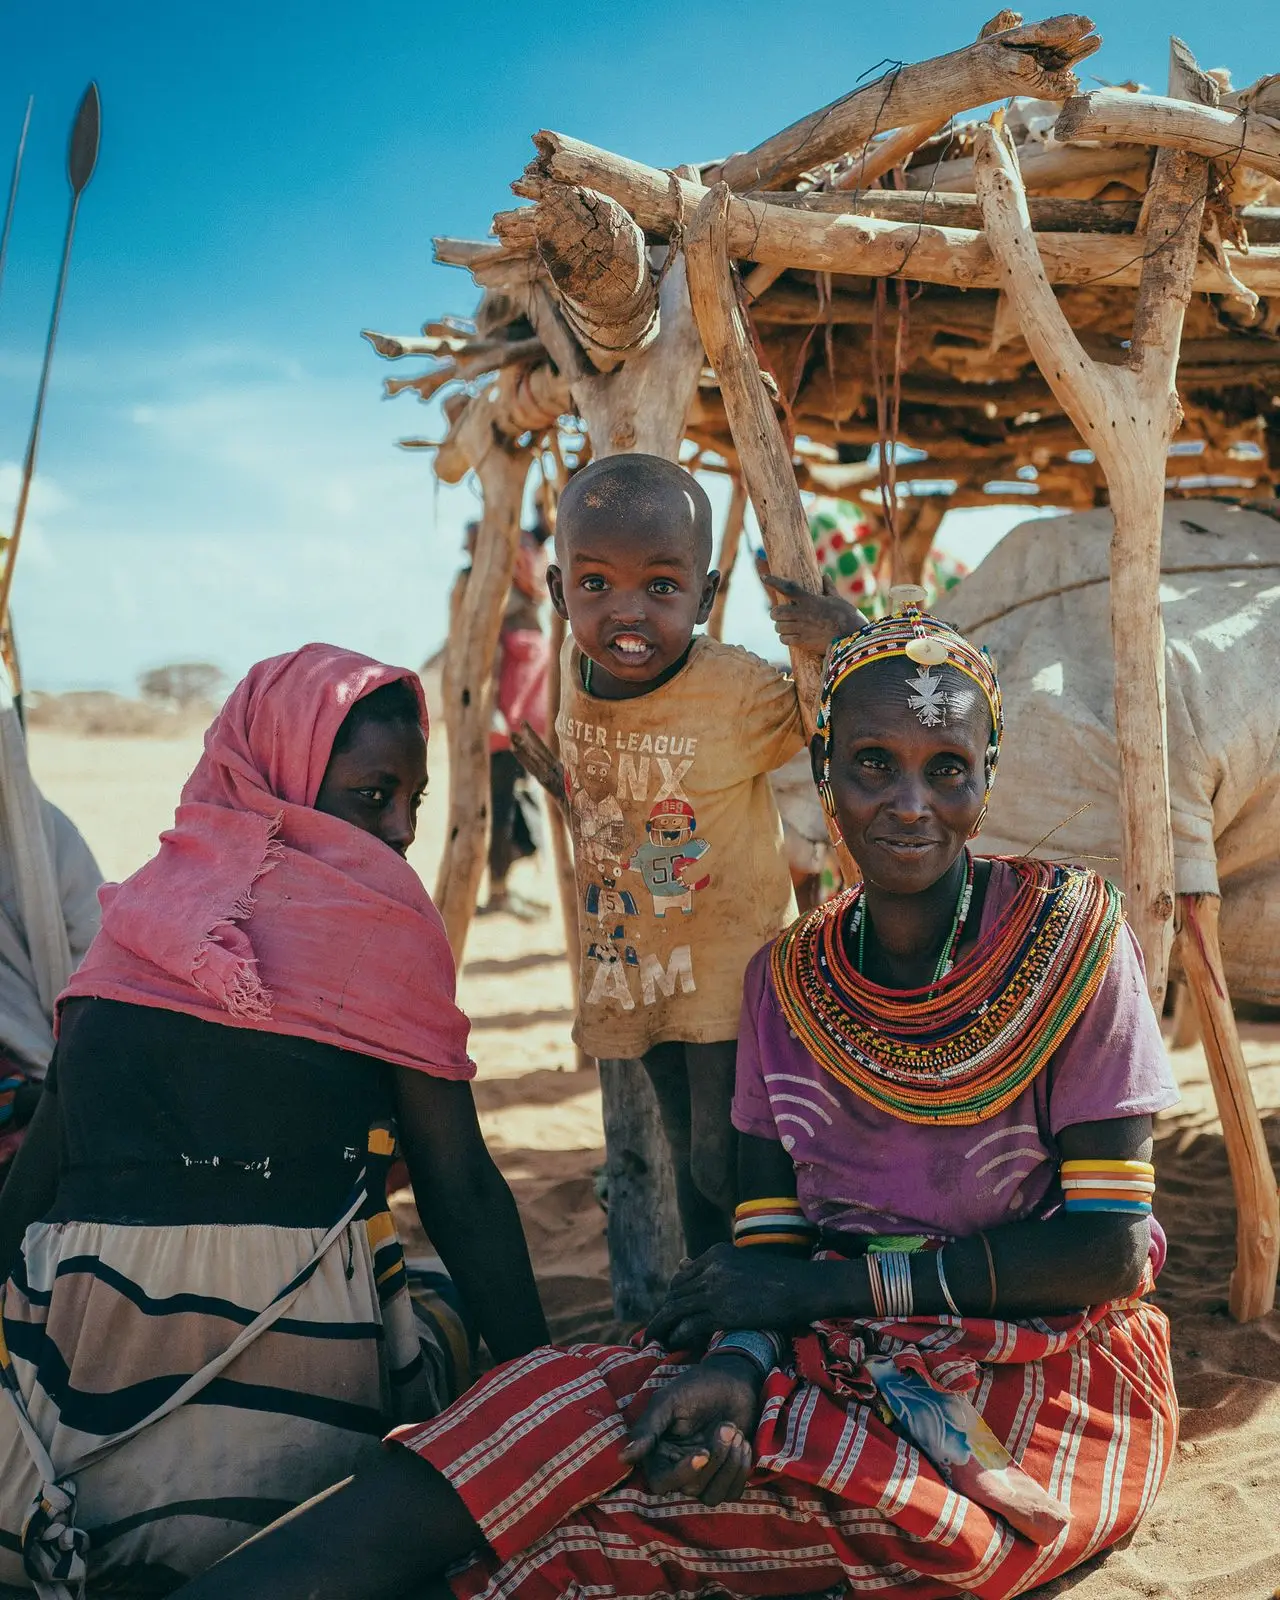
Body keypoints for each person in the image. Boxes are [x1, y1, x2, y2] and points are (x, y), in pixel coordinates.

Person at [177, 596, 1179, 1600]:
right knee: (532, 1404)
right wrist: (738, 1366)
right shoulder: (788, 983)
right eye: (872, 763)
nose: (909, 803)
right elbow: (767, 1247)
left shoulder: (1068, 941)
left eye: (945, 768)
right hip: (809, 1342)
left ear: (983, 775)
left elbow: (1107, 1249)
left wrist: (819, 1298)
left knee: (616, 1542)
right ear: (822, 771)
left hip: (1033, 1369)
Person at [0, 643, 548, 1594]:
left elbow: (39, 1181)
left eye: (412, 804)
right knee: (440, 1311)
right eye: (374, 796)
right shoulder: (381, 921)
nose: (400, 832)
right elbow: (458, 1188)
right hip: (284, 1407)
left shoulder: (140, 920)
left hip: (72, 1394)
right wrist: (548, 1386)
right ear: (285, 774)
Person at [550, 454, 804, 1252]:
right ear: (560, 592)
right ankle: (708, 1289)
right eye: (596, 585)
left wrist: (843, 635)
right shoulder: (573, 665)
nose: (627, 614)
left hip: (732, 975)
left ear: (706, 594)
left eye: (661, 587)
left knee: (726, 1162)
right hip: (635, 963)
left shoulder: (736, 689)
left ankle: (759, 1303)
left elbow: (842, 706)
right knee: (686, 1152)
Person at [483, 519, 552, 921]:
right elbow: (489, 675)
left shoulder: (534, 621)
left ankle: (504, 886)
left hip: (527, 734)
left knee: (522, 806)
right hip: (503, 732)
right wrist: (493, 716)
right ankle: (498, 891)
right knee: (504, 808)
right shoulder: (501, 626)